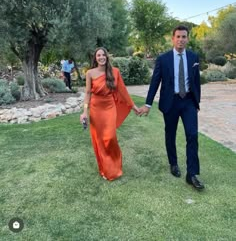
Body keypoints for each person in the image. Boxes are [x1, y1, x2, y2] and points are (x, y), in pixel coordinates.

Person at [139, 25, 205, 191]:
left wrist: (197, 102)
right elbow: (155, 82)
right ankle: (173, 163)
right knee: (171, 134)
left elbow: (196, 81)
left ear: (187, 39)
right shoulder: (163, 59)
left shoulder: (193, 57)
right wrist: (147, 104)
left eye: (184, 37)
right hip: (171, 102)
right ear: (172, 38)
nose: (181, 40)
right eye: (178, 37)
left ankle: (192, 174)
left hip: (189, 101)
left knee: (192, 135)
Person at [80, 47, 140, 181]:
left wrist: (133, 106)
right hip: (96, 109)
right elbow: (88, 93)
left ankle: (114, 167)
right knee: (99, 140)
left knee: (110, 138)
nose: (101, 57)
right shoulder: (90, 73)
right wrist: (84, 111)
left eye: (103, 55)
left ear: (107, 57)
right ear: (95, 58)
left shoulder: (115, 72)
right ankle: (105, 169)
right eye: (98, 55)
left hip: (109, 107)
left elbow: (123, 91)